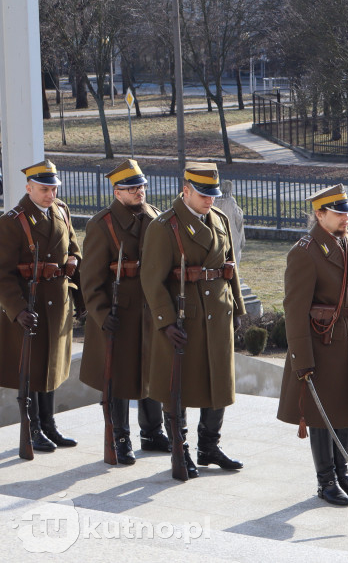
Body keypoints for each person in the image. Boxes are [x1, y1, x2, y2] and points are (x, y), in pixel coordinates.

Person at [141, 162, 246, 480]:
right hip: (185, 321)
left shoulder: (220, 219)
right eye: (202, 194)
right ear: (185, 191)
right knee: (180, 387)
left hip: (217, 317)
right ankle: (180, 448)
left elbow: (230, 268)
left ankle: (209, 446)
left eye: (212, 194)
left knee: (219, 384)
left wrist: (238, 308)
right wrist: (166, 321)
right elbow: (151, 279)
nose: (209, 200)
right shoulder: (164, 226)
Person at [277, 184, 348, 506]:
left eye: (347, 212)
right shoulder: (304, 252)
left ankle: (342, 472)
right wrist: (301, 359)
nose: (346, 217)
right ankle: (326, 481)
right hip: (323, 344)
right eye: (338, 213)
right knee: (322, 416)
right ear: (320, 215)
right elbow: (293, 310)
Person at [80, 160, 169, 465]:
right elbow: (90, 280)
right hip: (119, 314)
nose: (138, 192)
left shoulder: (155, 217)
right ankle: (120, 436)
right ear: (116, 192)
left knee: (150, 372)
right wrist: (103, 315)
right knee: (118, 378)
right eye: (131, 188)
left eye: (141, 186)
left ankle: (153, 432)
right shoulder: (101, 225)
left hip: (150, 311)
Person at [0, 160, 84, 452]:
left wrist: (73, 262)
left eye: (53, 188)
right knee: (32, 369)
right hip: (30, 306)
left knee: (51, 367)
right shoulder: (13, 221)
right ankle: (32, 428)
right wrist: (18, 309)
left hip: (57, 303)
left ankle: (49, 426)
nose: (50, 194)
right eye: (44, 189)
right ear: (29, 188)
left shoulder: (61, 210)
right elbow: (3, 274)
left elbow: (73, 247)